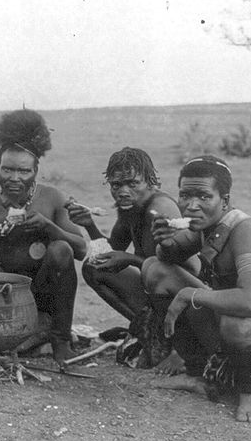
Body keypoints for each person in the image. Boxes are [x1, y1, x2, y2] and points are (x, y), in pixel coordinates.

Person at [143, 155, 251, 422]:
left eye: (204, 197)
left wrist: (192, 294)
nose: (192, 206)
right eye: (185, 196)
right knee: (155, 269)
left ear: (224, 201)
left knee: (235, 321)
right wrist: (166, 243)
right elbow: (168, 259)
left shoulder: (246, 232)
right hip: (236, 333)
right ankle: (195, 371)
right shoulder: (205, 226)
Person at [0, 109, 87, 364]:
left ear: (36, 170)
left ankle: (60, 339)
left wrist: (50, 228)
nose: (14, 178)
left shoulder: (53, 198)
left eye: (23, 171)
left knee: (60, 248)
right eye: (7, 170)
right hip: (6, 291)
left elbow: (80, 249)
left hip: (45, 292)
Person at [67, 147, 198, 373]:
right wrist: (89, 224)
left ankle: (176, 343)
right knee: (94, 267)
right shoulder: (130, 209)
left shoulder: (160, 208)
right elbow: (112, 251)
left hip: (188, 299)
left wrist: (130, 259)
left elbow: (192, 269)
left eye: (132, 183)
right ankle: (147, 330)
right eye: (116, 185)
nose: (123, 192)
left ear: (150, 182)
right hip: (157, 294)